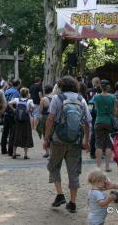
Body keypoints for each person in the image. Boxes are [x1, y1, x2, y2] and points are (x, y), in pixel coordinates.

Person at [44, 76, 91, 213]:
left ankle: (59, 195)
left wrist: (46, 138)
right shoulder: (81, 100)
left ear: (61, 86)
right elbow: (88, 122)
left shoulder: (57, 99)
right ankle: (72, 203)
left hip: (58, 140)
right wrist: (86, 141)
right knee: (73, 171)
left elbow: (50, 119)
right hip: (75, 141)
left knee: (53, 166)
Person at [93, 79, 115, 171]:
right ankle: (107, 166)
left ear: (100, 87)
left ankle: (98, 166)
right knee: (108, 144)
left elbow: (95, 108)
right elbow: (114, 109)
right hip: (109, 121)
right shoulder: (112, 97)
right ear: (108, 86)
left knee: (99, 144)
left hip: (99, 120)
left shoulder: (96, 97)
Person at [8, 87, 34, 159]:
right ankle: (25, 155)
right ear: (27, 94)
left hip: (17, 121)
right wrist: (30, 110)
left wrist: (14, 109)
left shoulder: (16, 100)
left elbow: (9, 103)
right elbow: (33, 107)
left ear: (20, 93)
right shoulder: (29, 101)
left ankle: (14, 153)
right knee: (26, 135)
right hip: (26, 121)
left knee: (16, 135)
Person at [1, 79, 21, 156]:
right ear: (18, 84)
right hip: (12, 114)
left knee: (5, 132)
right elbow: (13, 103)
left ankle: (3, 149)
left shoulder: (7, 91)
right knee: (12, 133)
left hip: (6, 113)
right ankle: (11, 151)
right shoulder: (16, 92)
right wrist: (14, 110)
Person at [37, 84, 53, 158]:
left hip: (45, 117)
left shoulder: (43, 99)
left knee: (45, 133)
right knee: (53, 134)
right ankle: (53, 151)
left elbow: (40, 110)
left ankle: (47, 152)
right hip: (53, 117)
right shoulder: (55, 98)